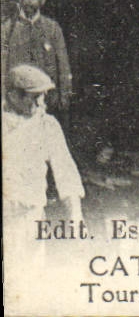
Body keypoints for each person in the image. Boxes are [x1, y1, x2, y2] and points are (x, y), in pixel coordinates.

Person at [3, 64, 85, 256]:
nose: (42, 104)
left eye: (43, 97)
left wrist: (75, 217)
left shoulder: (47, 125)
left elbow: (66, 172)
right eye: (35, 98)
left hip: (32, 219)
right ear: (14, 95)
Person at [2, 0, 73, 112]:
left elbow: (63, 64)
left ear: (42, 0)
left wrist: (64, 95)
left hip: (48, 99)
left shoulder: (52, 28)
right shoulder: (7, 29)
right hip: (19, 100)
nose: (28, 2)